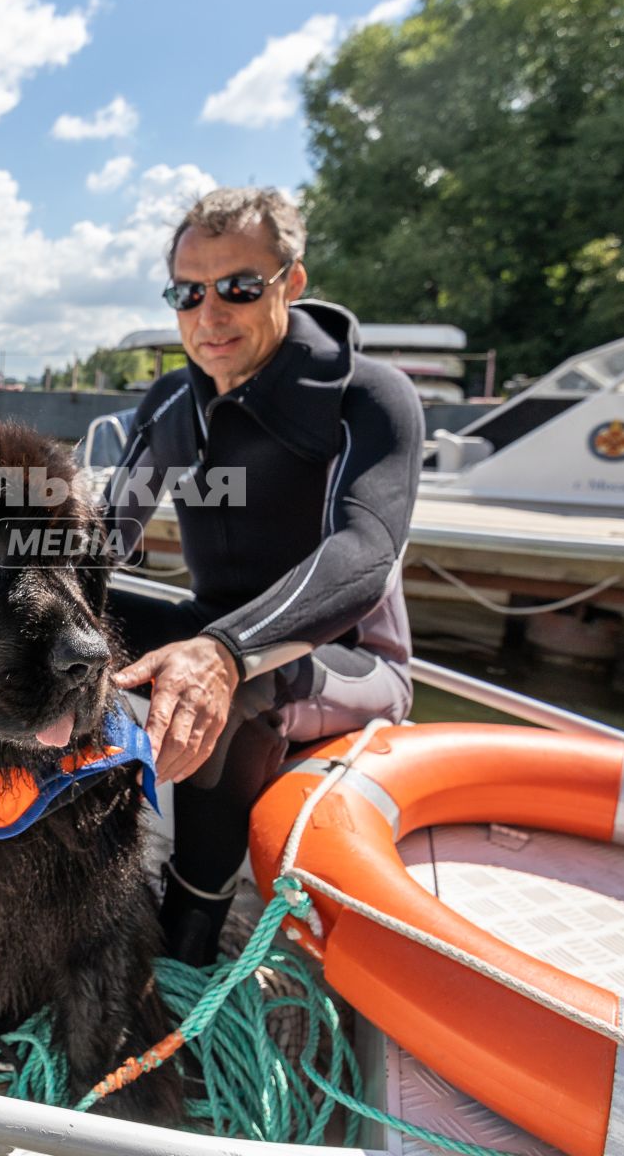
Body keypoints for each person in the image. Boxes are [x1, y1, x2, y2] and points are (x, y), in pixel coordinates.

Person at [103, 186, 423, 965]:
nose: (210, 315)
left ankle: (188, 934)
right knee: (48, 617)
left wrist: (224, 654)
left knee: (233, 685)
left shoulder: (365, 396)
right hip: (215, 627)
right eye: (189, 293)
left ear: (292, 282)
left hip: (348, 660)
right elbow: (106, 537)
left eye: (240, 287)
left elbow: (366, 551)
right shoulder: (176, 399)